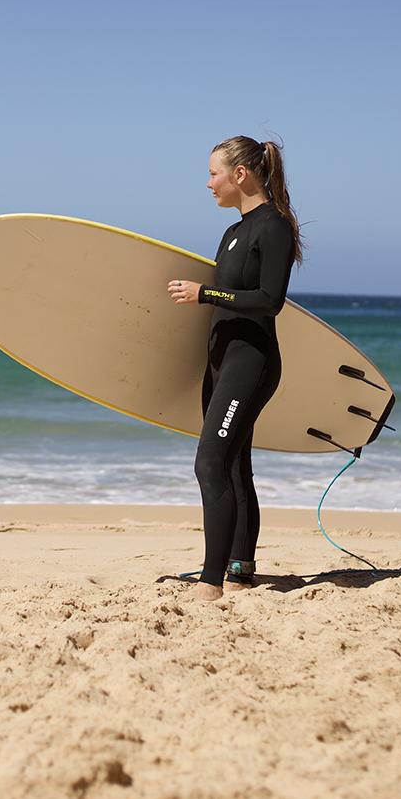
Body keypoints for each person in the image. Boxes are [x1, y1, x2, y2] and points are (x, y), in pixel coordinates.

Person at [168, 136, 302, 601]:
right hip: (221, 364)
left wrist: (206, 294)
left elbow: (269, 301)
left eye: (213, 173)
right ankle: (240, 569)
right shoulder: (231, 233)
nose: (208, 183)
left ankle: (210, 583)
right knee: (234, 466)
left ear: (239, 174)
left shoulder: (274, 227)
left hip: (252, 362)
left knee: (210, 463)